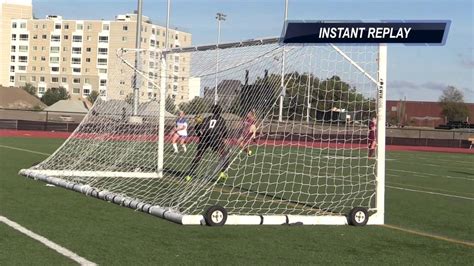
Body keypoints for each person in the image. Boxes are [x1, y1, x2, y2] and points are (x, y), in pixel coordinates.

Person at [185, 104, 230, 182]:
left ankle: (189, 175)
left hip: (205, 137)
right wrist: (225, 139)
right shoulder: (222, 120)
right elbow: (224, 132)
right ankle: (223, 173)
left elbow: (197, 129)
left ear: (212, 111)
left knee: (198, 155)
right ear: (220, 111)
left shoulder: (206, 119)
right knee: (224, 155)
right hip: (215, 138)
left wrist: (199, 132)